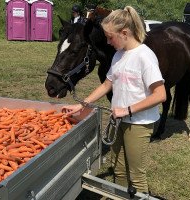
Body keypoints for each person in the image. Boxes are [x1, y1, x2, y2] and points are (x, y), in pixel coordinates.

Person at [61, 6, 166, 194]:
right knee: (118, 169)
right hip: (118, 120)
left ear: (124, 33)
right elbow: (106, 85)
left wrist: (128, 110)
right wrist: (81, 104)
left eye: (110, 37)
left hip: (139, 124)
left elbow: (160, 95)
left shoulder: (145, 56)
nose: (108, 42)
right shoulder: (118, 55)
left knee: (136, 174)